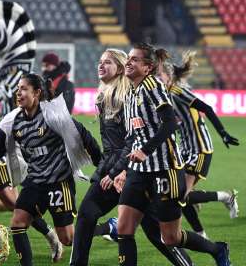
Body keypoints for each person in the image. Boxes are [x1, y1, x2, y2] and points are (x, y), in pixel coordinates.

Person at [69, 49, 193, 266]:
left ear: (119, 67)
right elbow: (111, 145)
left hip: (132, 170)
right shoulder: (105, 97)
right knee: (91, 215)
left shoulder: (128, 97)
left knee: (159, 234)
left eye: (107, 62)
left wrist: (122, 170)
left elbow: (134, 139)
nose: (101, 65)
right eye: (99, 61)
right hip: (117, 168)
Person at [0, 73, 102, 266]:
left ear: (37, 92)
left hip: (58, 181)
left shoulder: (52, 115)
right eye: (17, 89)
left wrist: (102, 166)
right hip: (34, 182)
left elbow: (84, 136)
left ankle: (106, 228)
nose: (18, 93)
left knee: (68, 238)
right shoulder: (13, 120)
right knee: (18, 223)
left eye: (23, 89)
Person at [116, 43, 231, 266]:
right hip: (139, 172)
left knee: (170, 238)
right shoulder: (130, 92)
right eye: (128, 58)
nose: (128, 62)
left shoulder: (154, 88)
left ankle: (217, 249)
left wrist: (145, 150)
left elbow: (170, 123)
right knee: (124, 229)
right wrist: (123, 170)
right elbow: (133, 136)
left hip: (165, 170)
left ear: (148, 67)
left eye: (135, 59)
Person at [157, 51, 239, 238]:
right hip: (185, 150)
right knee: (179, 195)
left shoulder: (176, 91)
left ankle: (226, 197)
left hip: (200, 148)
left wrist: (223, 133)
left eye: (160, 76)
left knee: (180, 195)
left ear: (169, 77)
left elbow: (206, 108)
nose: (157, 79)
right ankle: (201, 234)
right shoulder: (162, 97)